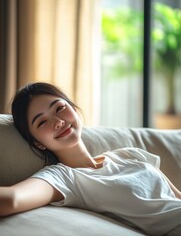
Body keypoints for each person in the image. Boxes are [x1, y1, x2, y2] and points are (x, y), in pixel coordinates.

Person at [0, 82, 181, 236]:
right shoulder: (64, 178)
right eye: (42, 122)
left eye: (60, 108)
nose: (58, 121)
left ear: (74, 109)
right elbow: (12, 199)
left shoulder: (130, 154)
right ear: (38, 143)